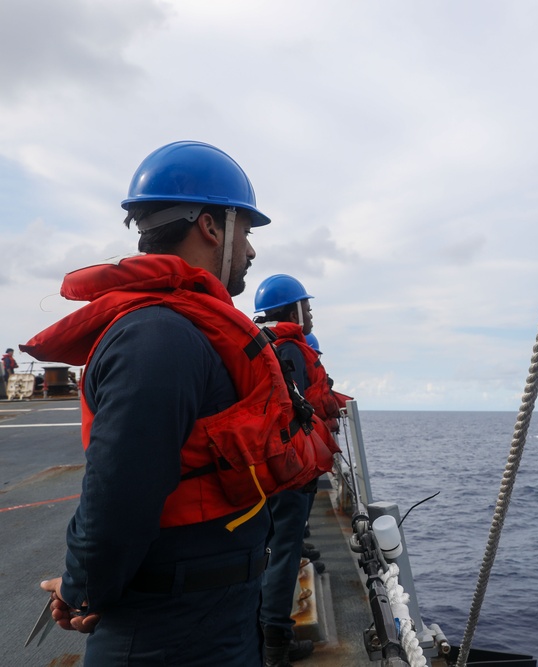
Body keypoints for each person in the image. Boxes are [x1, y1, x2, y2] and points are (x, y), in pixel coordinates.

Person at [20, 141, 335, 666]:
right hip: (167, 638)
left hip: (213, 620)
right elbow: (118, 491)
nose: (252, 252)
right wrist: (83, 588)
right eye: (248, 232)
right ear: (212, 226)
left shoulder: (179, 331)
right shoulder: (158, 337)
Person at [251, 274, 344, 667]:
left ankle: (260, 632)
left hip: (262, 469)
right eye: (306, 306)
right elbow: (307, 408)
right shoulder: (292, 351)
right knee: (284, 551)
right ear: (293, 310)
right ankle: (276, 644)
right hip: (291, 471)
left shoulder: (257, 346)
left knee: (266, 546)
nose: (311, 314)